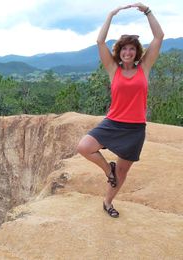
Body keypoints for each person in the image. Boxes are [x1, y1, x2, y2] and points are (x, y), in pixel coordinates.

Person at [76, 3, 164, 218]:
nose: (127, 52)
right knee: (84, 147)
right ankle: (109, 170)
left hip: (134, 129)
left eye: (132, 49)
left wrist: (147, 11)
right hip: (113, 123)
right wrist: (110, 15)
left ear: (137, 52)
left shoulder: (144, 68)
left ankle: (108, 202)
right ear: (119, 52)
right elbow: (99, 41)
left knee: (123, 171)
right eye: (124, 48)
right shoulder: (112, 69)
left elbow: (159, 37)